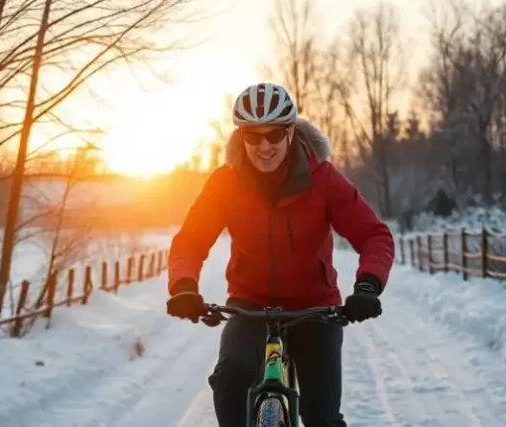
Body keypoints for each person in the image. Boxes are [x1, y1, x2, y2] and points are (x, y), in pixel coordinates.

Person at [165, 82, 395, 427]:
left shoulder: (323, 179)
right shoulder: (225, 183)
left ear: (290, 132)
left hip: (314, 306)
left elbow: (374, 235)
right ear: (241, 137)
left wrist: (367, 287)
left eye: (273, 134)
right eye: (253, 136)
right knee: (230, 378)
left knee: (322, 417)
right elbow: (191, 239)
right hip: (249, 303)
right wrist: (184, 286)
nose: (264, 146)